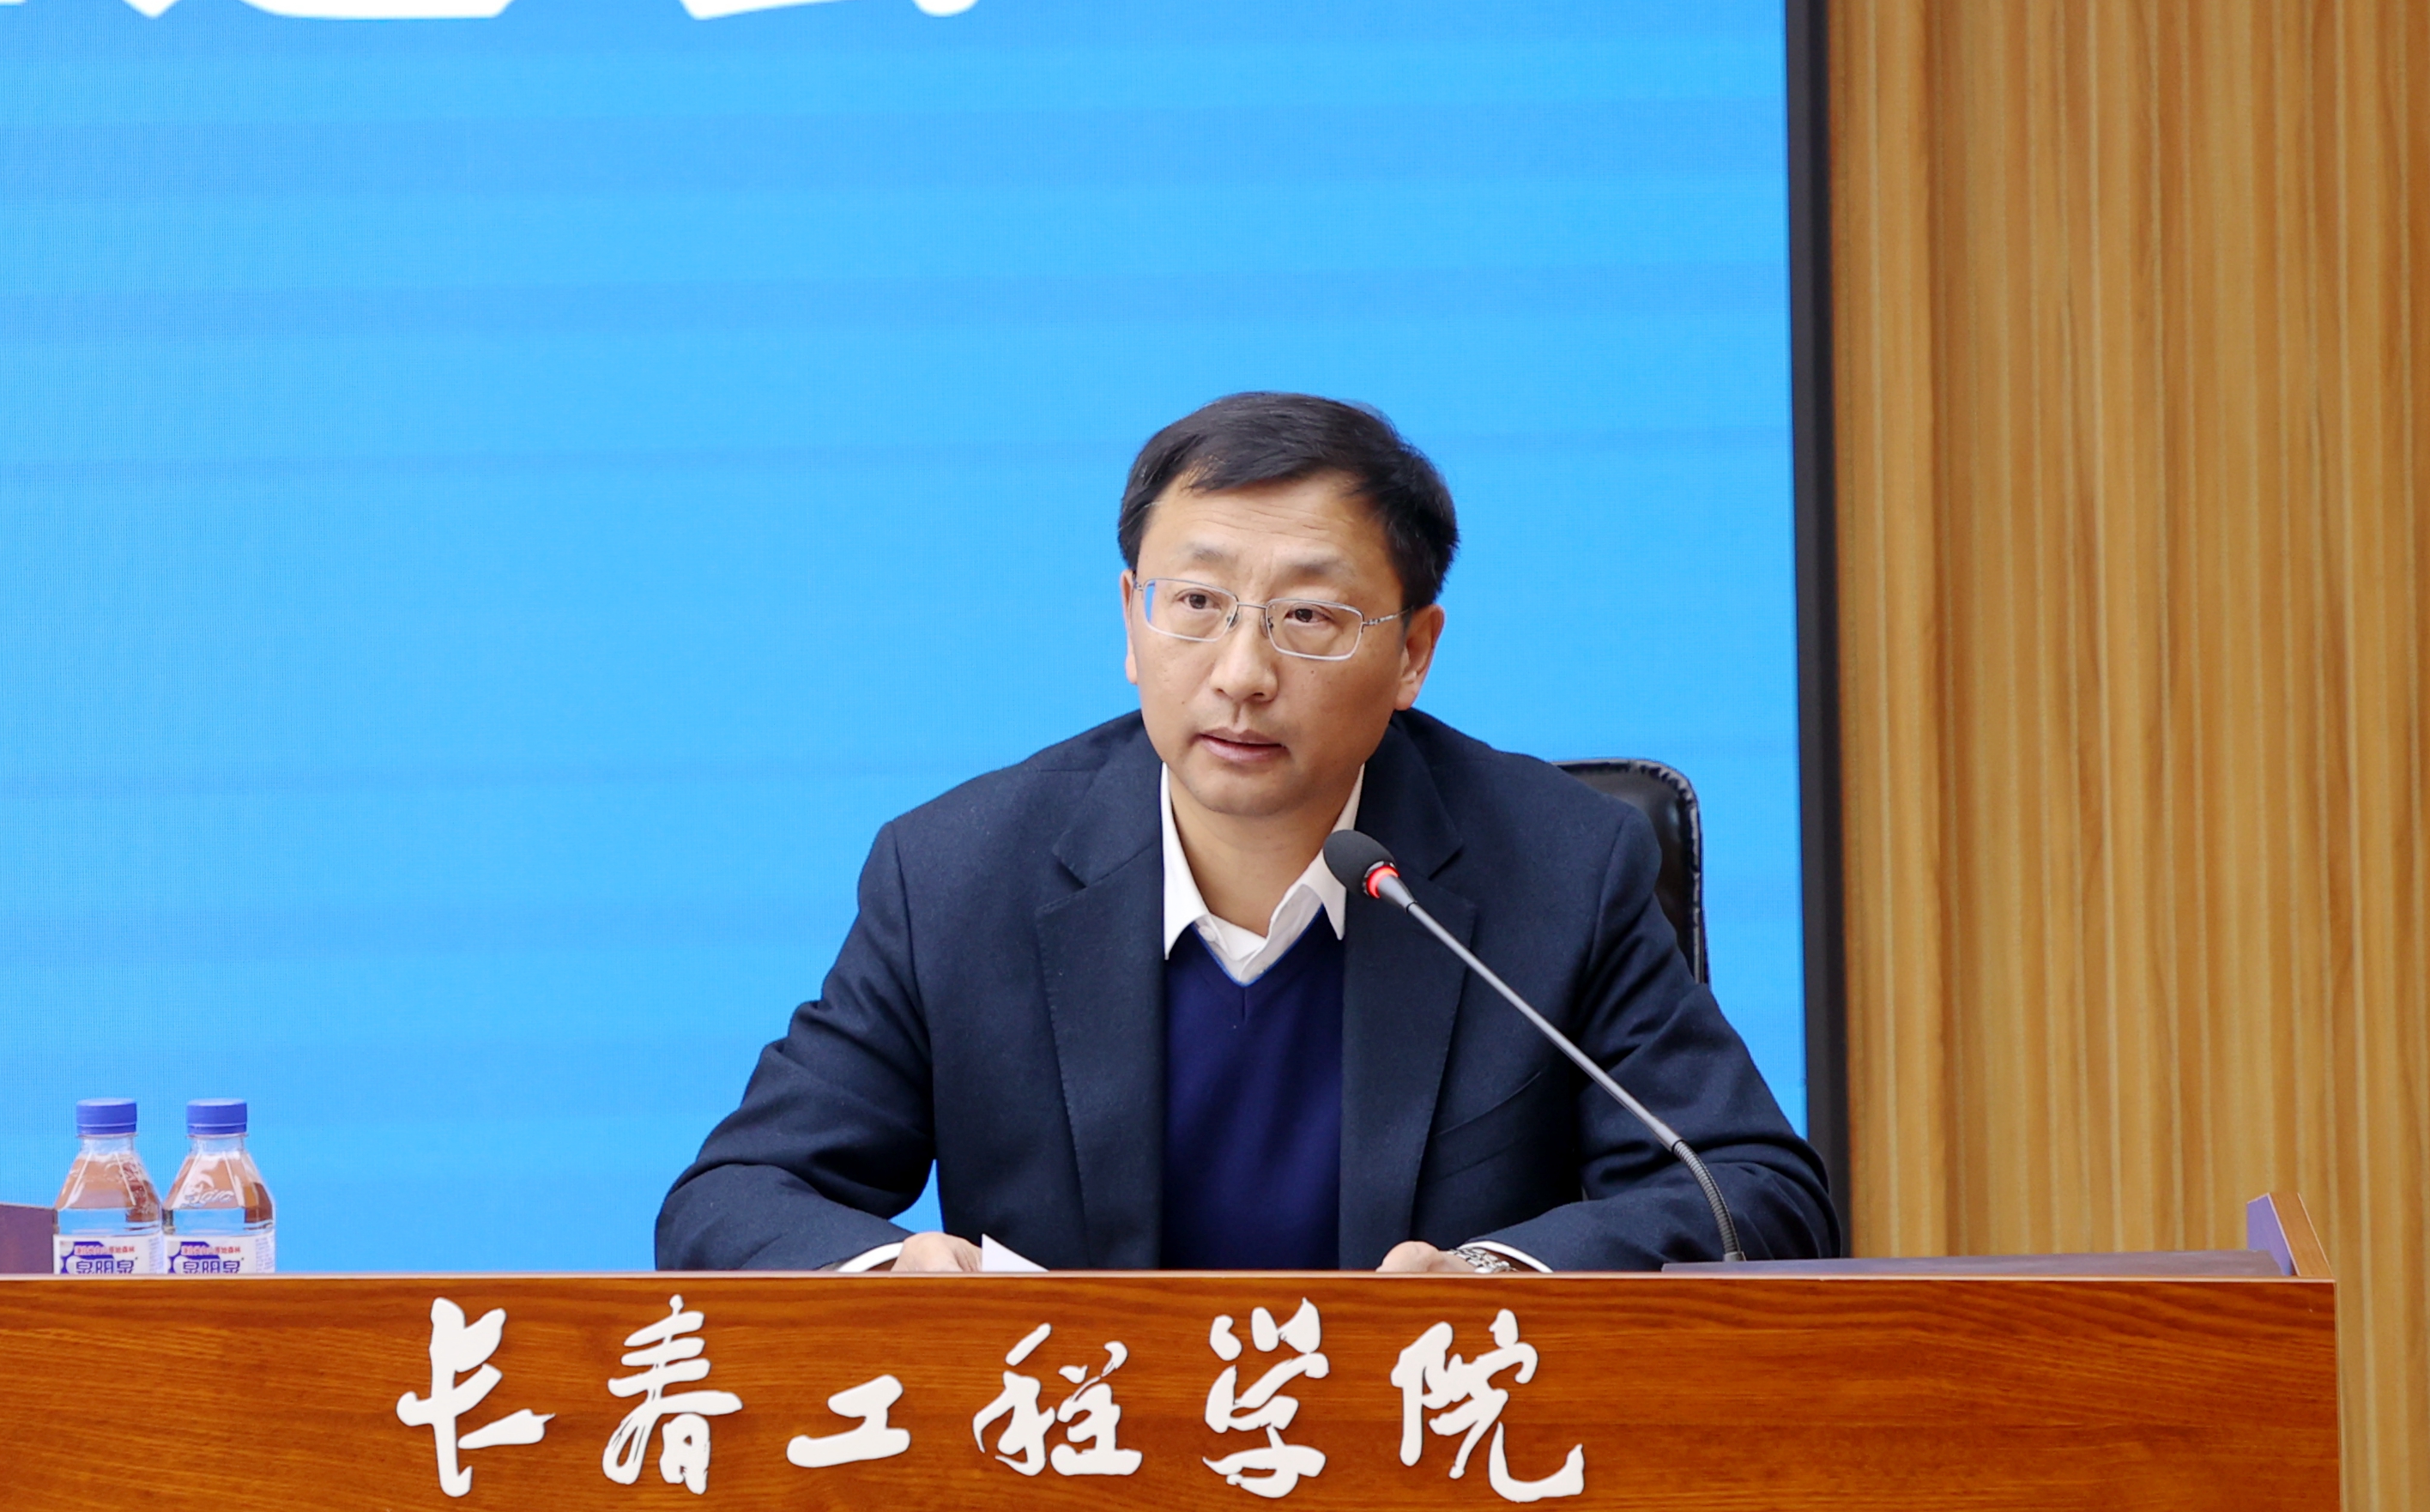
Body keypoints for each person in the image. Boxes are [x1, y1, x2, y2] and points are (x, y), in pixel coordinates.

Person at [656, 392, 1837, 1274]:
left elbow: (1752, 1192)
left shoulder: (1560, 866)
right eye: (1197, 604)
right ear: (1131, 621)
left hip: (1429, 1476)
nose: (1241, 673)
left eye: (1308, 616)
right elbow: (732, 1197)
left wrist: (1497, 1278)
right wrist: (896, 1277)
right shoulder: (960, 873)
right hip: (1092, 1482)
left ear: (1413, 653)